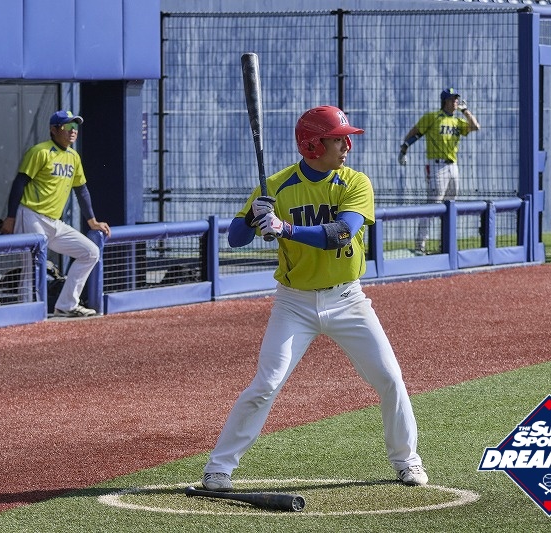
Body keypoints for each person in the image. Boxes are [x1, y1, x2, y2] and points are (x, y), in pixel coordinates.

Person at [201, 105, 427, 492]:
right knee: (266, 384)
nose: (347, 146)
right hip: (294, 304)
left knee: (390, 378)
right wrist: (254, 216)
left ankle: (407, 460)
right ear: (312, 145)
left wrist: (284, 228)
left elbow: (341, 234)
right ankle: (218, 468)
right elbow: (235, 238)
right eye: (339, 140)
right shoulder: (277, 186)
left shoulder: (355, 182)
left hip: (348, 300)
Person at [0, 110, 111, 318]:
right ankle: (26, 312)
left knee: (90, 252)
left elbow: (81, 190)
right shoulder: (40, 151)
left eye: (75, 126)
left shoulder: (73, 157)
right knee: (32, 264)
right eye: (67, 126)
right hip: (31, 213)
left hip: (54, 221)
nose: (73, 131)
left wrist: (92, 221)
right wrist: (11, 217)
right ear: (54, 129)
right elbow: (20, 183)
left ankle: (66, 305)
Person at [399, 88, 480, 255]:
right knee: (432, 205)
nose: (455, 101)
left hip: (453, 166)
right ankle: (420, 245)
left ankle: (446, 245)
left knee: (450, 205)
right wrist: (403, 149)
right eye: (452, 99)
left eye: (456, 99)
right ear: (445, 101)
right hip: (436, 165)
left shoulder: (457, 121)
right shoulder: (433, 117)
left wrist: (465, 111)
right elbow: (414, 132)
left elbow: (475, 127)